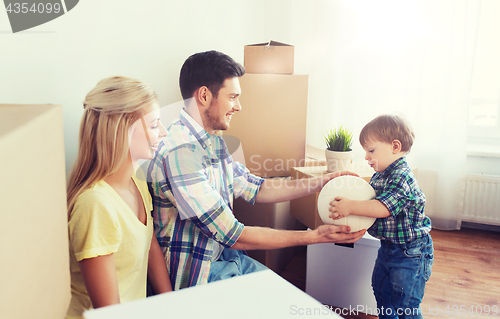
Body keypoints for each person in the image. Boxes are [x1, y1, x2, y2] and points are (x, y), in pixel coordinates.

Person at [147, 50, 365, 291]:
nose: (238, 106)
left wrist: (322, 182)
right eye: (232, 97)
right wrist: (314, 237)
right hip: (202, 274)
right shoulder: (180, 154)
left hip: (228, 258)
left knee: (288, 299)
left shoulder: (212, 141)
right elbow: (234, 234)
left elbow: (257, 188)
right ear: (204, 95)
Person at [66, 76, 172, 319]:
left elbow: (150, 246)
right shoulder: (95, 205)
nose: (163, 132)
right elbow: (109, 311)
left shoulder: (137, 182)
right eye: (155, 125)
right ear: (124, 130)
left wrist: (172, 305)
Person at [329, 114, 433, 319]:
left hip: (410, 252)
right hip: (388, 248)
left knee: (405, 302)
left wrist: (351, 206)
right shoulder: (382, 173)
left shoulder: (402, 176)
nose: (367, 157)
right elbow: (370, 197)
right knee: (382, 292)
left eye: (371, 151)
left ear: (395, 146)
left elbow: (382, 208)